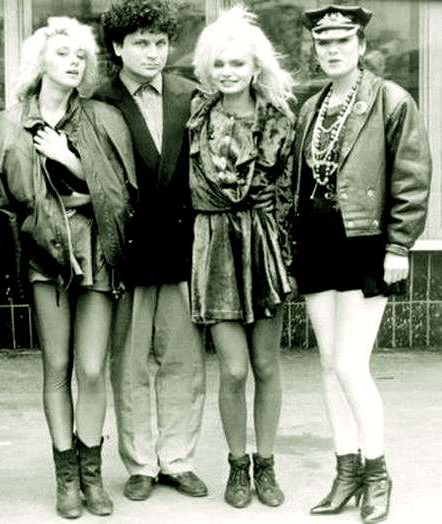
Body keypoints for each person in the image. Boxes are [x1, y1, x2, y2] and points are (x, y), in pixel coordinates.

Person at [0, 17, 136, 519]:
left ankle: (92, 473)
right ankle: (67, 477)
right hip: (44, 255)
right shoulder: (10, 122)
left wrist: (71, 160)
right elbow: (7, 202)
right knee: (56, 367)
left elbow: (122, 194)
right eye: (63, 54)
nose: (74, 62)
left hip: (96, 250)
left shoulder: (103, 117)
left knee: (92, 368)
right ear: (40, 62)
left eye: (81, 56)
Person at [294, 5, 431, 524]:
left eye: (342, 41)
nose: (332, 50)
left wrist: (399, 246)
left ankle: (377, 473)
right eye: (323, 43)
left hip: (365, 243)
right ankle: (346, 472)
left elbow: (411, 177)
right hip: (317, 243)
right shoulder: (312, 107)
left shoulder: (391, 99)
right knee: (330, 364)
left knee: (352, 364)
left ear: (362, 47)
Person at [94, 0, 207, 502]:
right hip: (129, 251)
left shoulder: (191, 96)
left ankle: (178, 459)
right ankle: (140, 463)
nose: (153, 53)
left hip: (182, 247)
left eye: (161, 43)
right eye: (141, 43)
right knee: (131, 364)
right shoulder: (98, 101)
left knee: (184, 362)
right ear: (118, 47)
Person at [187, 5, 295, 510]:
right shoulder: (195, 118)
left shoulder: (280, 121)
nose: (227, 72)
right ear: (208, 68)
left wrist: (287, 258)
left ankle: (266, 463)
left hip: (264, 247)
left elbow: (289, 195)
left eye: (237, 63)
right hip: (214, 248)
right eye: (219, 63)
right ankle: (237, 464)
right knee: (232, 370)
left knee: (266, 365)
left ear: (256, 68)